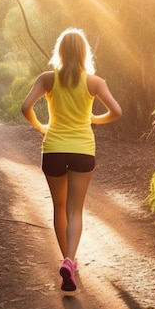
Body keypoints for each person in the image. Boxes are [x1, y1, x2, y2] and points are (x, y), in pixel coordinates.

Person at [21, 28, 122, 291]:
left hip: (53, 149)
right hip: (82, 151)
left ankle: (69, 263)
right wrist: (95, 119)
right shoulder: (95, 82)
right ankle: (70, 261)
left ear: (61, 51)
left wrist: (41, 127)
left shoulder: (46, 79)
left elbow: (25, 107)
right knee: (75, 210)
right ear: (84, 52)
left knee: (60, 207)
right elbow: (117, 111)